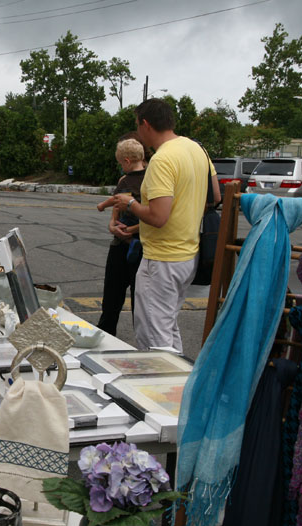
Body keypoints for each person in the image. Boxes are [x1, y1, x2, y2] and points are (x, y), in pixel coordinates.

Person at [101, 99, 220, 353]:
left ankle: (161, 389)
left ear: (145, 124)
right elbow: (216, 196)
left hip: (162, 259)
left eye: (137, 124)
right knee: (167, 328)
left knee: (154, 339)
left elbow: (158, 216)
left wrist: (130, 203)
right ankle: (179, 385)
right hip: (187, 254)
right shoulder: (197, 149)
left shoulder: (163, 159)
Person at [95, 137, 147, 336]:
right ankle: (106, 334)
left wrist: (132, 230)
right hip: (119, 244)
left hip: (140, 245)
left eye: (120, 163)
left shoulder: (150, 179)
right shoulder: (123, 181)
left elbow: (153, 214)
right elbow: (116, 205)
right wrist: (112, 224)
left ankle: (142, 340)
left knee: (139, 300)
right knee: (111, 297)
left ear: (126, 161)